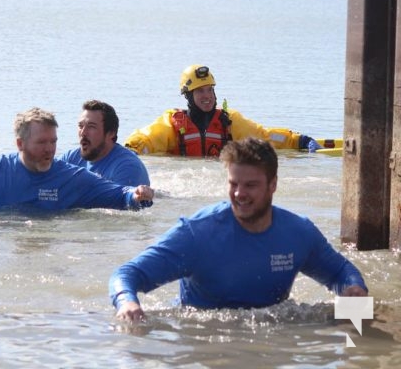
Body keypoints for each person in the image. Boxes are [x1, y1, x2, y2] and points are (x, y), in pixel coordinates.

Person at [109, 137, 367, 322]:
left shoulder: (298, 232)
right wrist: (127, 302)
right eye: (234, 184)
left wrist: (354, 292)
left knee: (365, 319)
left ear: (273, 185)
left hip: (269, 336)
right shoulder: (197, 233)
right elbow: (127, 274)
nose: (239, 194)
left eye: (251, 185)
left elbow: (340, 272)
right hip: (204, 336)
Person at [0, 107, 154, 213]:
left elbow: (120, 196)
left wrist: (137, 195)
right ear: (20, 144)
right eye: (42, 142)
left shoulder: (72, 177)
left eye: (53, 142)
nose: (50, 149)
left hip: (50, 249)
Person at [124, 64, 322, 157]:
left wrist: (299, 140)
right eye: (200, 91)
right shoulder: (174, 123)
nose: (207, 95)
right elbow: (148, 139)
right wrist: (131, 151)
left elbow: (265, 137)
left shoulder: (230, 121)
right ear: (187, 95)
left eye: (210, 89)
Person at [60, 100, 150, 186]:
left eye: (91, 127)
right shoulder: (71, 159)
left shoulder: (128, 168)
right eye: (80, 126)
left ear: (111, 133)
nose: (83, 132)